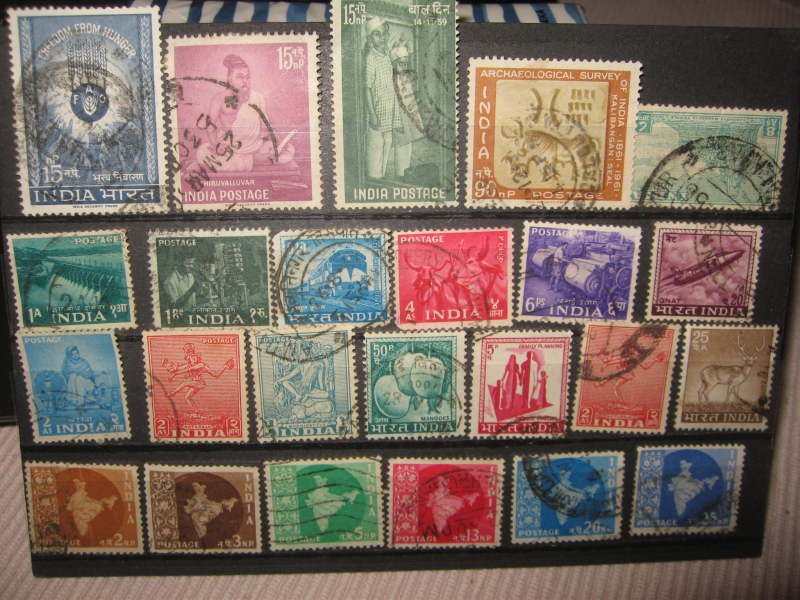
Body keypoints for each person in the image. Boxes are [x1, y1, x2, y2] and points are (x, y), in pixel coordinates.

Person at [194, 54, 295, 173]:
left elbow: (267, 125)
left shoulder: (257, 98)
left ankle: (251, 159)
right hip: (229, 150)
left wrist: (279, 141)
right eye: (240, 77)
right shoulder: (219, 99)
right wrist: (216, 146)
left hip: (255, 147)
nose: (245, 81)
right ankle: (254, 160)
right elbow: (210, 125)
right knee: (203, 153)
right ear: (230, 78)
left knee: (288, 150)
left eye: (247, 77)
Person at [364, 16, 402, 179]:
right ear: (370, 38)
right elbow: (367, 88)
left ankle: (382, 175)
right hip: (377, 111)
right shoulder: (370, 58)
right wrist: (372, 114)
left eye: (384, 34)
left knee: (388, 142)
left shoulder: (387, 55)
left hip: (390, 110)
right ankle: (374, 177)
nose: (382, 38)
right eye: (377, 34)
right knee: (376, 145)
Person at [390, 46, 424, 179]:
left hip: (409, 114)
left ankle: (405, 170)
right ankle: (400, 172)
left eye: (405, 63)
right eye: (400, 63)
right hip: (399, 115)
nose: (403, 66)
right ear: (394, 64)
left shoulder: (404, 77)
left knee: (408, 143)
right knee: (401, 142)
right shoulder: (392, 79)